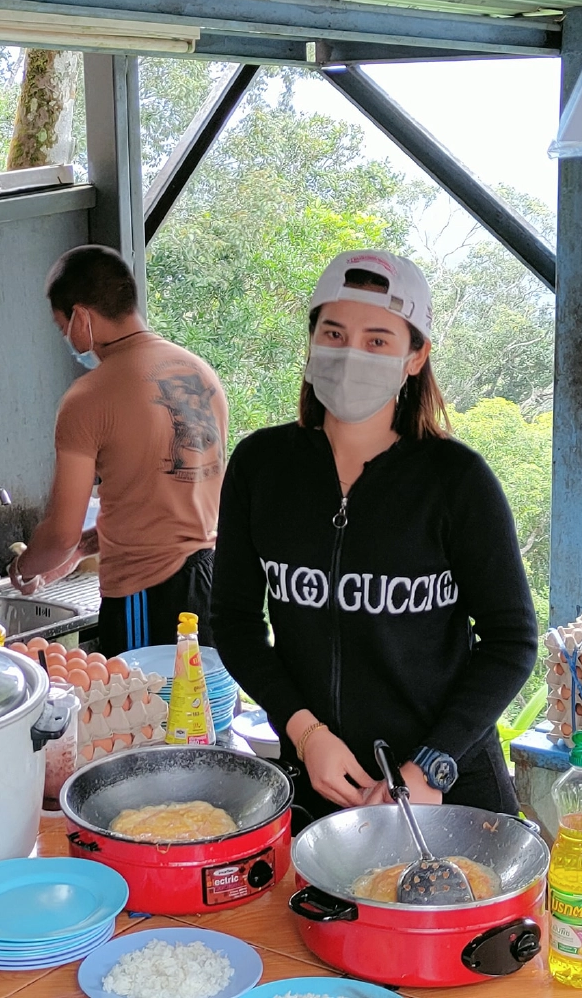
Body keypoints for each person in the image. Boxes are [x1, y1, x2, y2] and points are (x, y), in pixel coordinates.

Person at [210, 249, 537, 821]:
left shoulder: (456, 481)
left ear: (416, 356)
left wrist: (433, 764)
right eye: (333, 333)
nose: (351, 353)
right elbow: (235, 622)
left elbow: (511, 641)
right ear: (312, 345)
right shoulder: (261, 467)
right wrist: (305, 733)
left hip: (448, 789)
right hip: (320, 787)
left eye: (378, 339)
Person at [11, 245, 229, 657]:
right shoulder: (200, 373)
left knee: (143, 717)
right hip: (212, 581)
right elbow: (167, 501)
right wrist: (86, 546)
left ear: (81, 317)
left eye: (62, 328)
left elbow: (59, 533)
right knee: (203, 713)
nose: (68, 340)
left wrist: (23, 569)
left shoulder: (89, 397)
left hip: (148, 593)